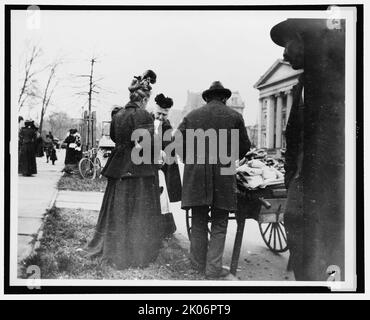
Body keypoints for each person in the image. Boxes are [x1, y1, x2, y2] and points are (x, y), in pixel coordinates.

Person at [270, 19, 345, 280]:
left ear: (305, 40)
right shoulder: (305, 85)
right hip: (304, 193)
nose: (283, 53)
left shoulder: (336, 82)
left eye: (287, 43)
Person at [84, 70, 163, 269]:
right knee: (137, 211)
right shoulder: (144, 115)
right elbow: (146, 143)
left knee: (117, 209)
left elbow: (114, 138)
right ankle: (133, 252)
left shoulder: (118, 114)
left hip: (118, 167)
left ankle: (113, 247)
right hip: (138, 169)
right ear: (145, 98)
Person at [177, 81, 251, 279]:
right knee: (220, 222)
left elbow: (177, 141)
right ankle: (213, 269)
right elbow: (244, 147)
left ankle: (196, 265)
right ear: (224, 98)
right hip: (223, 175)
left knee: (199, 220)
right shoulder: (235, 117)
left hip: (197, 175)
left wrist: (188, 159)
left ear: (208, 97)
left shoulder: (192, 116)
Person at [153, 93, 182, 238]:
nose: (161, 117)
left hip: (162, 167)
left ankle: (164, 228)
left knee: (162, 197)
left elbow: (170, 147)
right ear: (154, 109)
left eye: (164, 114)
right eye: (159, 113)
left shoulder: (167, 126)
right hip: (148, 163)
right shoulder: (148, 121)